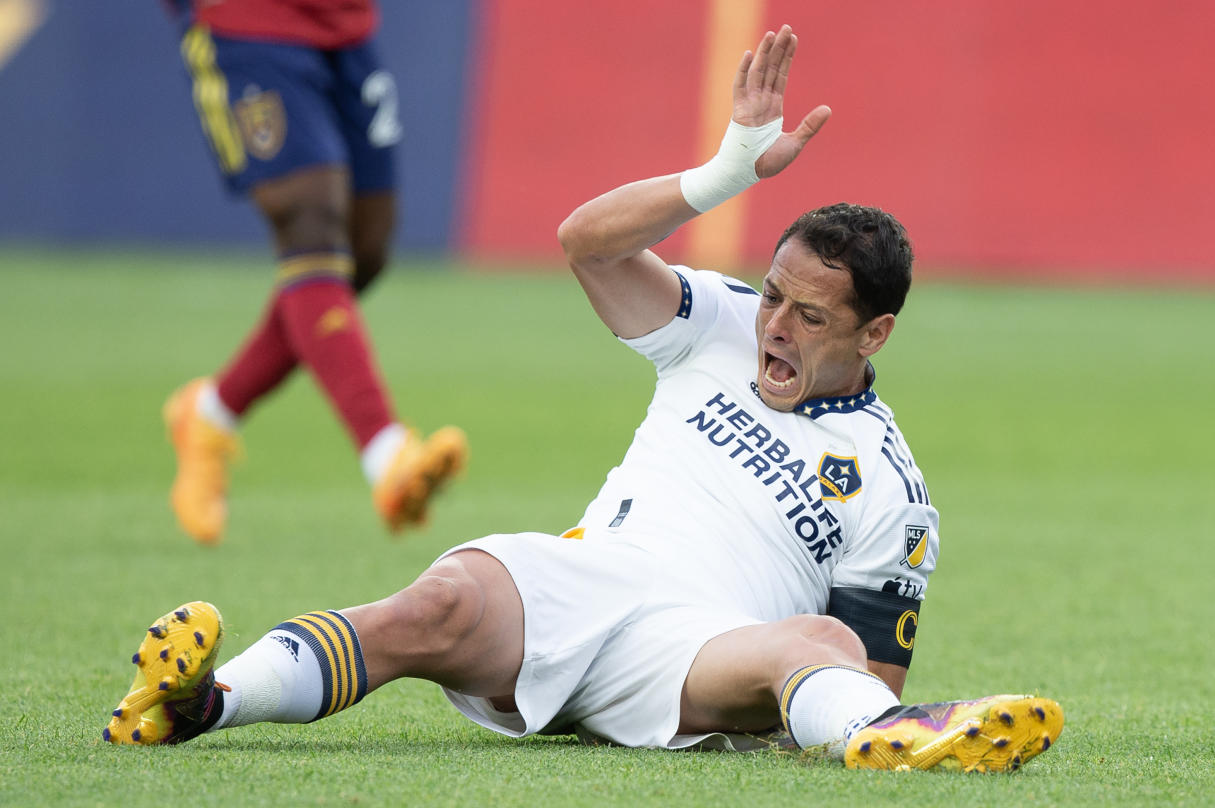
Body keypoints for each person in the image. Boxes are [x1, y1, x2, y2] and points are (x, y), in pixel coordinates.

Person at [105, 25, 1063, 771]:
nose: (774, 326)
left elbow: (871, 673)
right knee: (433, 603)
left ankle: (903, 752)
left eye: (810, 318)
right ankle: (201, 705)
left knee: (811, 643)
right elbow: (587, 242)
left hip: (702, 650)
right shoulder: (718, 320)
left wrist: (796, 702)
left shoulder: (894, 492)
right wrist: (724, 171)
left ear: (874, 334)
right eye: (774, 295)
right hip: (586, 579)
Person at [159, 0, 467, 544]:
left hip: (344, 26)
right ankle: (387, 456)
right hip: (246, 23)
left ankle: (209, 413)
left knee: (363, 250)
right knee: (310, 225)